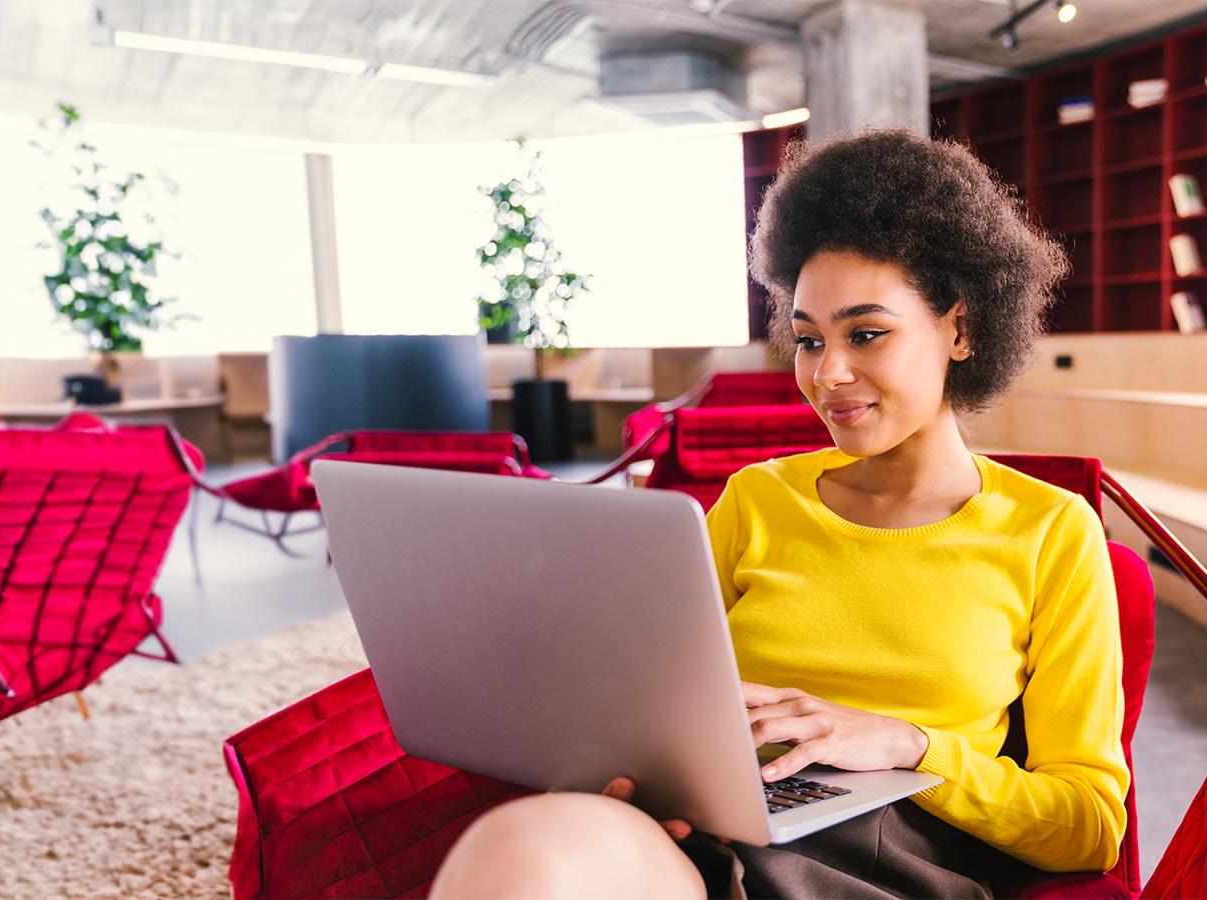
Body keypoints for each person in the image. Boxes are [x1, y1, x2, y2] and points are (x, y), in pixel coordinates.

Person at [431, 127, 1127, 899]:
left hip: (889, 858)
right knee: (520, 851)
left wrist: (910, 745)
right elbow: (655, 702)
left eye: (866, 333)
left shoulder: (1052, 532)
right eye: (807, 339)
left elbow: (1090, 824)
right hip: (719, 831)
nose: (828, 373)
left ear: (959, 328)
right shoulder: (758, 499)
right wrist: (627, 772)